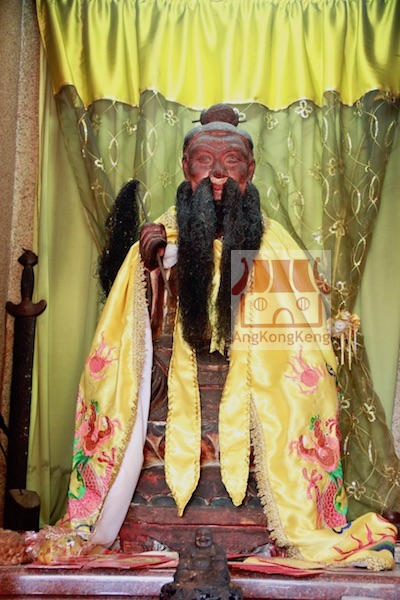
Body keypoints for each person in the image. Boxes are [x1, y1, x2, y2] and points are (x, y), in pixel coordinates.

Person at [62, 105, 396, 569]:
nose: (218, 172)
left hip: (256, 402)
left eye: (232, 160)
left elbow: (300, 355)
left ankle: (288, 517)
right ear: (186, 168)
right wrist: (151, 271)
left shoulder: (278, 247)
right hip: (170, 401)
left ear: (250, 171)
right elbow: (129, 341)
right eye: (204, 160)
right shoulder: (159, 239)